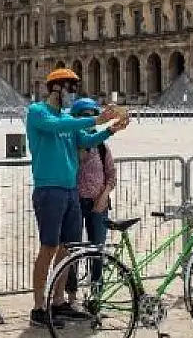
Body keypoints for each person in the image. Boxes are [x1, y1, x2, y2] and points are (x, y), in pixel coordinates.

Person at [26, 68, 128, 328]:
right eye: (71, 89)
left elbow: (86, 139)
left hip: (70, 189)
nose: (74, 95)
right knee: (48, 247)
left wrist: (111, 130)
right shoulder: (38, 112)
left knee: (67, 249)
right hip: (49, 189)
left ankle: (59, 302)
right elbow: (56, 126)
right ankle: (39, 307)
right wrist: (94, 120)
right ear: (56, 88)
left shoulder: (66, 119)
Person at [64, 97, 117, 307]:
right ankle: (71, 296)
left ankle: (96, 296)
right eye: (84, 117)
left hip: (99, 205)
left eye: (92, 116)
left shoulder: (103, 147)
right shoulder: (71, 148)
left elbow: (111, 176)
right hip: (76, 204)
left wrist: (103, 198)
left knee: (97, 252)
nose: (89, 121)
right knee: (72, 252)